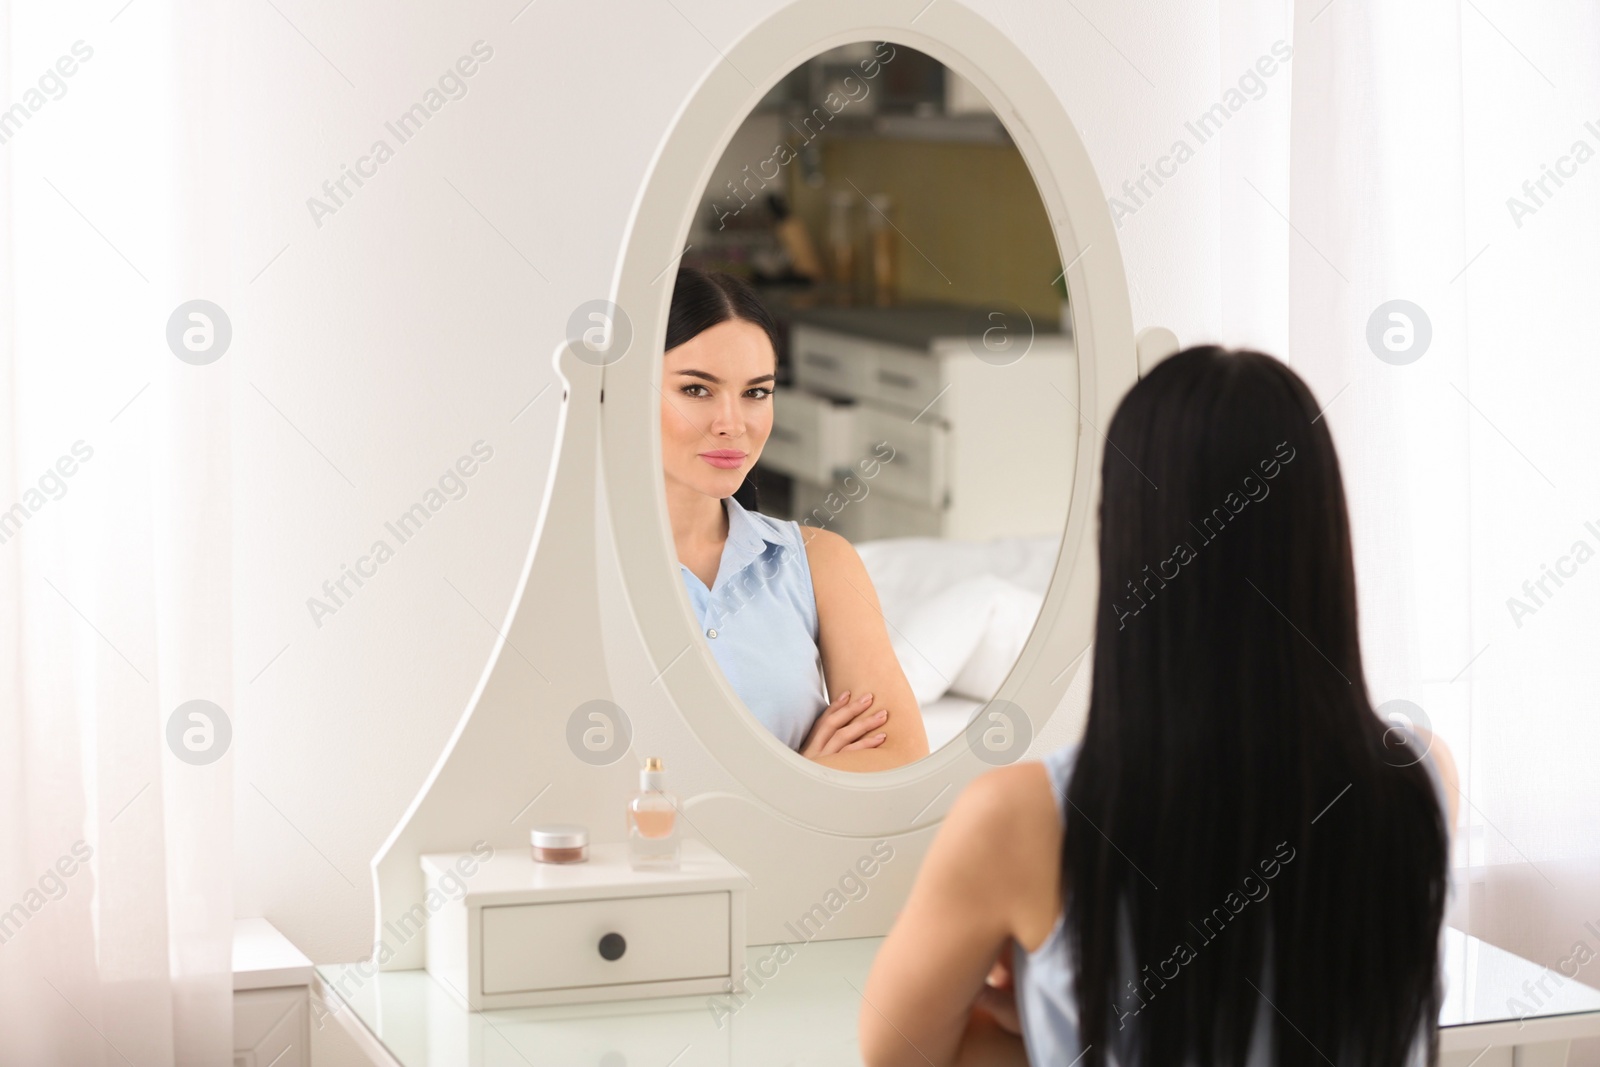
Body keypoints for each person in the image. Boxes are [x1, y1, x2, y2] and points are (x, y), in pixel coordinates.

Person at [861, 347, 1459, 1065]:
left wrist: (1049, 1016)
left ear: (1126, 541)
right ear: (1326, 535)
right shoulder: (1423, 777)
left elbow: (899, 1056)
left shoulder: (1020, 820)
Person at [661, 266, 929, 771]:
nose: (732, 424)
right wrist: (803, 773)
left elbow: (901, 755)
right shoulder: (590, 572)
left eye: (756, 392)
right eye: (697, 390)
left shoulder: (820, 562)